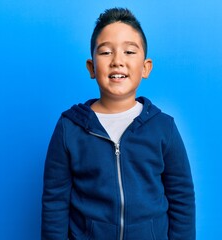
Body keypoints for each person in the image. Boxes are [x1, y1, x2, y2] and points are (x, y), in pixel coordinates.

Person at [41, 7, 195, 240]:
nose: (117, 61)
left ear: (146, 67)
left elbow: (181, 197)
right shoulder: (69, 128)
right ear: (92, 67)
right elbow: (54, 202)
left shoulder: (164, 128)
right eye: (105, 53)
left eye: (129, 51)